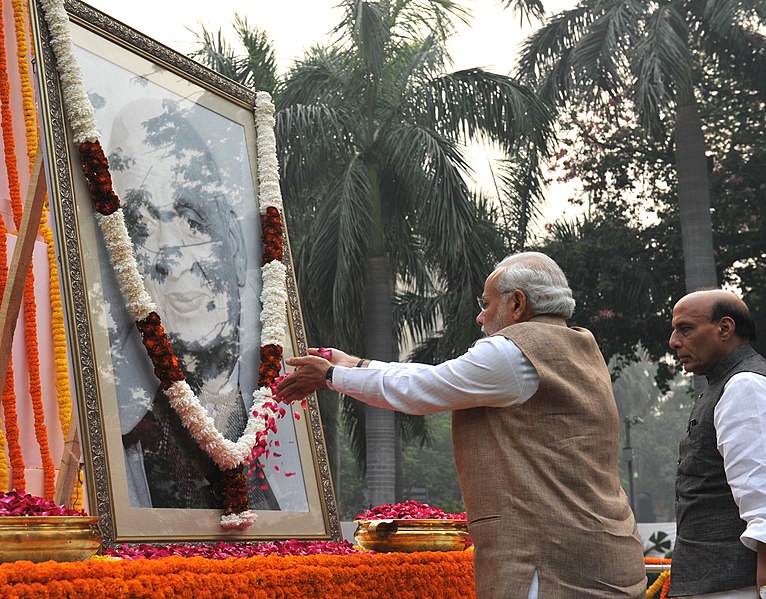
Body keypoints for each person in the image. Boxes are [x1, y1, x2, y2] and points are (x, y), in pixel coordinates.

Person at [277, 251, 646, 598]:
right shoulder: (578, 345)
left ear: (517, 303)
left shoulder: (511, 351)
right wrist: (355, 365)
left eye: (487, 304)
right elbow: (439, 377)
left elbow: (421, 389)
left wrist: (331, 376)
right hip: (606, 550)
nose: (481, 317)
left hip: (550, 561)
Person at [105, 99, 284, 510]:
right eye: (143, 226)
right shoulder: (130, 446)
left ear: (236, 245)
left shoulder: (287, 431)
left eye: (191, 219)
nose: (171, 256)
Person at [667, 289, 766, 598]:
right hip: (720, 580)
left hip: (737, 585)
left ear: (725, 329)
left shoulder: (744, 385)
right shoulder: (725, 384)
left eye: (686, 328)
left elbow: (760, 491)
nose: (674, 341)